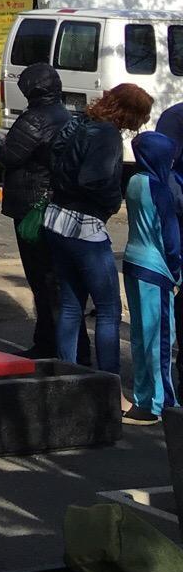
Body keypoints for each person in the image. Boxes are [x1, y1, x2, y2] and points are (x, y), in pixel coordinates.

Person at [44, 82, 154, 379]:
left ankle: (66, 376)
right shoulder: (107, 135)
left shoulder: (79, 121)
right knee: (108, 309)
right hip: (85, 226)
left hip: (56, 218)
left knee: (70, 304)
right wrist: (111, 203)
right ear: (129, 113)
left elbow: (53, 159)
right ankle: (109, 385)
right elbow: (96, 179)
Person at [0, 61, 70, 357]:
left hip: (32, 204)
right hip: (53, 200)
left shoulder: (34, 118)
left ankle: (49, 344)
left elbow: (11, 155)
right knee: (55, 279)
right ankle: (63, 344)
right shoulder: (63, 113)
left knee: (42, 278)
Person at [123, 130, 181, 423]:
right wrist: (177, 273)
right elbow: (170, 237)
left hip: (132, 263)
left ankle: (144, 397)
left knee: (140, 335)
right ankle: (162, 403)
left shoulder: (134, 181)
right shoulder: (160, 189)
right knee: (160, 339)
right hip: (156, 270)